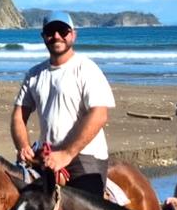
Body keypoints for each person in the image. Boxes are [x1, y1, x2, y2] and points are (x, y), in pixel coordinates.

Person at [10, 11, 116, 199]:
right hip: (46, 157)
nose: (56, 36)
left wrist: (67, 154)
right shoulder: (34, 74)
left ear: (73, 35)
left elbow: (99, 114)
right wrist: (23, 146)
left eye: (62, 31)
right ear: (43, 36)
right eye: (50, 31)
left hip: (84, 156)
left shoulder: (86, 69)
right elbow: (19, 115)